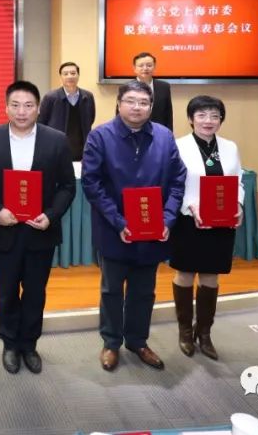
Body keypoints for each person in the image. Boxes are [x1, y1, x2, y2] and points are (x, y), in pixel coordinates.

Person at [0, 81, 77, 375]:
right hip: (4, 230)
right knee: (6, 292)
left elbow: (67, 186)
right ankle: (9, 344)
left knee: (35, 293)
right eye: (15, 105)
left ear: (38, 109)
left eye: (28, 105)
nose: (22, 111)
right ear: (6, 108)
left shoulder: (56, 140)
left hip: (40, 231)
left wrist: (51, 216)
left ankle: (29, 345)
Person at [82, 80, 186, 372]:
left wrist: (167, 219)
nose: (137, 107)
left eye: (143, 102)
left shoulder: (164, 136)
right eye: (130, 101)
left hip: (153, 232)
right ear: (119, 104)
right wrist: (118, 222)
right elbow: (92, 183)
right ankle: (111, 343)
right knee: (111, 290)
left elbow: (178, 180)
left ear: (151, 107)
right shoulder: (100, 136)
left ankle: (138, 341)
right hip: (114, 230)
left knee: (144, 291)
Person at [171, 95, 244, 361]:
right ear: (191, 119)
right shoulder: (178, 146)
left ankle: (204, 333)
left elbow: (239, 181)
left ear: (221, 120)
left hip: (221, 222)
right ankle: (184, 332)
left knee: (211, 277)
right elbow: (172, 183)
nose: (208, 121)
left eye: (214, 115)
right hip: (189, 220)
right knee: (185, 273)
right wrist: (190, 206)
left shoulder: (230, 147)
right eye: (201, 115)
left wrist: (239, 204)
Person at [39, 61, 97, 161]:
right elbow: (41, 122)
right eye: (65, 74)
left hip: (81, 151)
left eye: (73, 73)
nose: (70, 76)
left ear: (78, 75)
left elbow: (91, 119)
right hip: (56, 149)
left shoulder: (87, 96)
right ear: (61, 77)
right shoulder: (51, 97)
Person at [132, 52, 173, 131]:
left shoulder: (164, 87)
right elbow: (120, 115)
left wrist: (169, 134)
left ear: (154, 67)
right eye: (141, 65)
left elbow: (168, 115)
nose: (145, 68)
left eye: (149, 65)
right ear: (134, 68)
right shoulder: (126, 88)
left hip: (158, 133)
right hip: (133, 133)